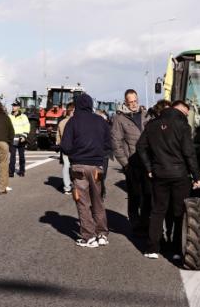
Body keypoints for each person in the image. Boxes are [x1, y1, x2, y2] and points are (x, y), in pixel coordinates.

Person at [136, 100, 200, 260]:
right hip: (179, 174)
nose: (186, 116)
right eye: (185, 113)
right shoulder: (183, 126)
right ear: (179, 110)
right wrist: (196, 175)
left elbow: (140, 147)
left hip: (159, 173)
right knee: (178, 212)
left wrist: (149, 168)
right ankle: (177, 249)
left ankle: (152, 248)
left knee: (158, 210)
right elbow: (189, 153)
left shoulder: (152, 125)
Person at [60, 93, 112, 248]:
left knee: (82, 201)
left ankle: (88, 236)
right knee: (98, 201)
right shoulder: (100, 121)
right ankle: (102, 234)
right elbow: (108, 145)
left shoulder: (72, 122)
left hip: (79, 166)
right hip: (97, 166)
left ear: (77, 105)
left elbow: (66, 146)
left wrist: (75, 152)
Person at [112, 89, 152, 233]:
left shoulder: (147, 115)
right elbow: (116, 142)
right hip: (132, 163)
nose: (134, 104)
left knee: (148, 194)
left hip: (147, 162)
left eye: (135, 101)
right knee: (134, 194)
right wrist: (125, 164)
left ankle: (146, 222)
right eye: (131, 102)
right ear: (125, 102)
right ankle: (135, 223)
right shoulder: (119, 119)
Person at [56, 102, 75, 194]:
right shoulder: (76, 121)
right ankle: (76, 185)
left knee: (66, 166)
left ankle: (67, 187)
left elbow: (58, 137)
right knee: (75, 166)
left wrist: (61, 145)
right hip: (76, 148)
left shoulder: (62, 122)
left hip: (65, 147)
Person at [8, 102, 31, 178]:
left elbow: (27, 126)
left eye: (15, 106)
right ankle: (11, 172)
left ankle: (22, 171)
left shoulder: (23, 116)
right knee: (12, 156)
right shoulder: (9, 116)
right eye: (13, 106)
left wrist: (24, 136)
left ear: (18, 107)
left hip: (21, 138)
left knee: (21, 156)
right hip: (12, 138)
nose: (13, 107)